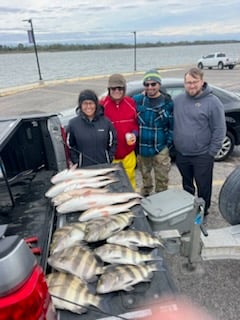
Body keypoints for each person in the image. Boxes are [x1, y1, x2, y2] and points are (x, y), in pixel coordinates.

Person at [173, 67, 226, 222]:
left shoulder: (213, 102)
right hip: (182, 154)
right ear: (184, 83)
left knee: (204, 187)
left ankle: (204, 211)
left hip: (203, 155)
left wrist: (212, 152)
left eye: (194, 82)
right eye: (188, 82)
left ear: (202, 82)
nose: (191, 86)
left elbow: (219, 129)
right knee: (187, 185)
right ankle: (189, 209)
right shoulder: (178, 100)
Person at [133, 69, 173, 196]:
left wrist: (168, 144)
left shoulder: (168, 103)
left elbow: (172, 126)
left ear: (159, 85)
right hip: (142, 148)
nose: (150, 87)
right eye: (147, 84)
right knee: (145, 176)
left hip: (160, 148)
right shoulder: (137, 100)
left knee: (162, 178)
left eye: (153, 84)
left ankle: (161, 199)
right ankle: (146, 194)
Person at [100, 74, 139, 190]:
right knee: (113, 184)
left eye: (120, 88)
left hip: (128, 153)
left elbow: (137, 125)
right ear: (109, 90)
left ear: (124, 89)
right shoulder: (102, 106)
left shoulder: (131, 103)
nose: (117, 91)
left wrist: (135, 134)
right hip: (111, 155)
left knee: (130, 180)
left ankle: (132, 203)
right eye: (113, 88)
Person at [67, 89, 117, 167]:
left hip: (103, 165)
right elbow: (70, 146)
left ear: (96, 104)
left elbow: (113, 141)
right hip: (84, 168)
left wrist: (109, 158)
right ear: (80, 105)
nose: (88, 107)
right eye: (85, 104)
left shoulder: (106, 122)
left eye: (91, 103)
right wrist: (77, 162)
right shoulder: (73, 124)